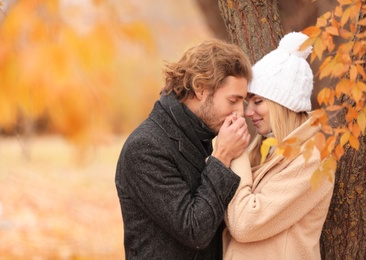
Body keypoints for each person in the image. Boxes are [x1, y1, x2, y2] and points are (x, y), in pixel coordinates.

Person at [115, 39, 252, 259]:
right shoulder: (145, 147)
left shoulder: (202, 135)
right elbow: (194, 230)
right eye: (233, 100)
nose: (240, 113)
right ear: (200, 89)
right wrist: (222, 156)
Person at [223, 32, 335, 260]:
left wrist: (237, 154)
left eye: (258, 101)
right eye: (247, 102)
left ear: (282, 104)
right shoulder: (267, 151)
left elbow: (245, 223)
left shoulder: (312, 158)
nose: (247, 112)